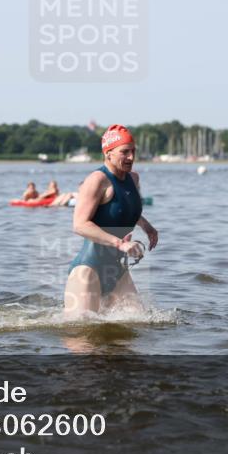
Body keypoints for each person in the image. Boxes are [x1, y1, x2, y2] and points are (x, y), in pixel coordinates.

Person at [64, 124, 158, 315]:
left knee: (138, 328)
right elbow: (80, 225)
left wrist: (147, 226)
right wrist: (119, 244)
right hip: (88, 271)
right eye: (125, 152)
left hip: (117, 272)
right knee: (81, 338)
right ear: (108, 153)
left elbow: (124, 207)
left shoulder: (133, 178)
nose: (131, 157)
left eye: (133, 151)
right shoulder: (97, 180)